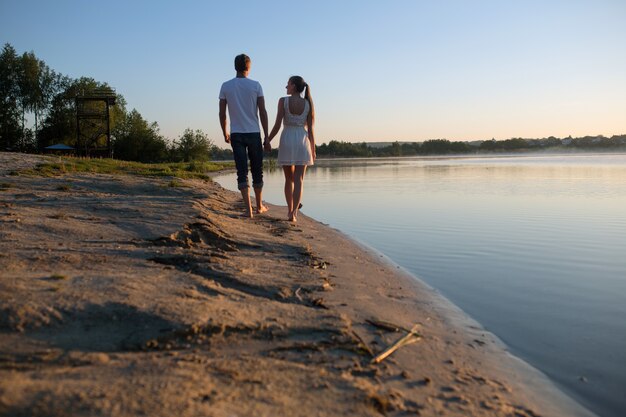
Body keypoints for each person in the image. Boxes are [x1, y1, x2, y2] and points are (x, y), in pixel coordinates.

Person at [219, 54, 269, 218]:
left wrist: (224, 132)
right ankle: (259, 206)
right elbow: (262, 112)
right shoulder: (256, 85)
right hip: (254, 133)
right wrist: (267, 136)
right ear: (249, 67)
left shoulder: (226, 86)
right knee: (257, 171)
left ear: (235, 67)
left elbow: (222, 113)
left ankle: (248, 210)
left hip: (236, 133)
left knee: (242, 171)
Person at [264, 76, 315, 222]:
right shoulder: (308, 103)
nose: (285, 87)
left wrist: (268, 139)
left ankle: (289, 210)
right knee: (299, 179)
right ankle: (294, 213)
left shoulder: (283, 101)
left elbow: (277, 124)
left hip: (287, 139)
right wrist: (313, 148)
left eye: (287, 84)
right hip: (302, 140)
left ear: (293, 86)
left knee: (288, 179)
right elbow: (311, 129)